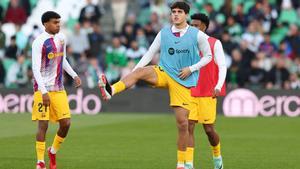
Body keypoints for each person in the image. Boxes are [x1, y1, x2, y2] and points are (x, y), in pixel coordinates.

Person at [98, 2, 212, 169]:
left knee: (183, 124)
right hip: (164, 71)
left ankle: (181, 164)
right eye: (173, 11)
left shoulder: (197, 35)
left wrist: (191, 69)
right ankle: (111, 90)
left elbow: (208, 56)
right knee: (140, 71)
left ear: (186, 15)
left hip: (184, 79)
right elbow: (150, 53)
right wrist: (134, 73)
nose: (176, 14)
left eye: (180, 12)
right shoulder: (164, 33)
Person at [31, 11, 81, 169]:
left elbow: (63, 59)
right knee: (43, 124)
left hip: (59, 88)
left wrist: (74, 75)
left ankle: (52, 151)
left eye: (59, 22)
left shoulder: (62, 38)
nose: (58, 25)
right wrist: (43, 91)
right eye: (54, 22)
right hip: (42, 89)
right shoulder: (39, 42)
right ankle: (40, 161)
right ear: (45, 24)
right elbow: (35, 68)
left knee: (66, 123)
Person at [186, 13, 226, 169]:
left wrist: (218, 85)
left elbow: (222, 66)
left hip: (208, 92)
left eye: (196, 25)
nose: (193, 28)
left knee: (209, 130)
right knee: (188, 126)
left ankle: (217, 158)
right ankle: (188, 164)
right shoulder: (187, 44)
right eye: (192, 25)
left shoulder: (214, 43)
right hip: (190, 91)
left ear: (204, 26)